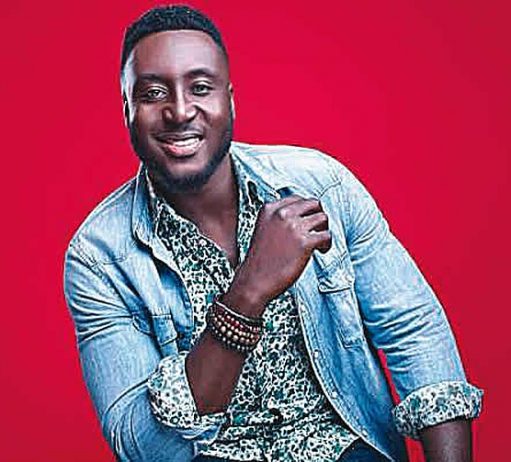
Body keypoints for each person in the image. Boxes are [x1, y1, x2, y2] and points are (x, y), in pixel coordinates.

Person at [63, 5, 483, 462]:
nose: (180, 111)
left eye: (200, 88)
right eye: (153, 94)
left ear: (230, 100)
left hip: (342, 448)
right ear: (127, 110)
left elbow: (413, 329)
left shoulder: (322, 186)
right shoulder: (98, 257)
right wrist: (248, 292)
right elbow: (140, 445)